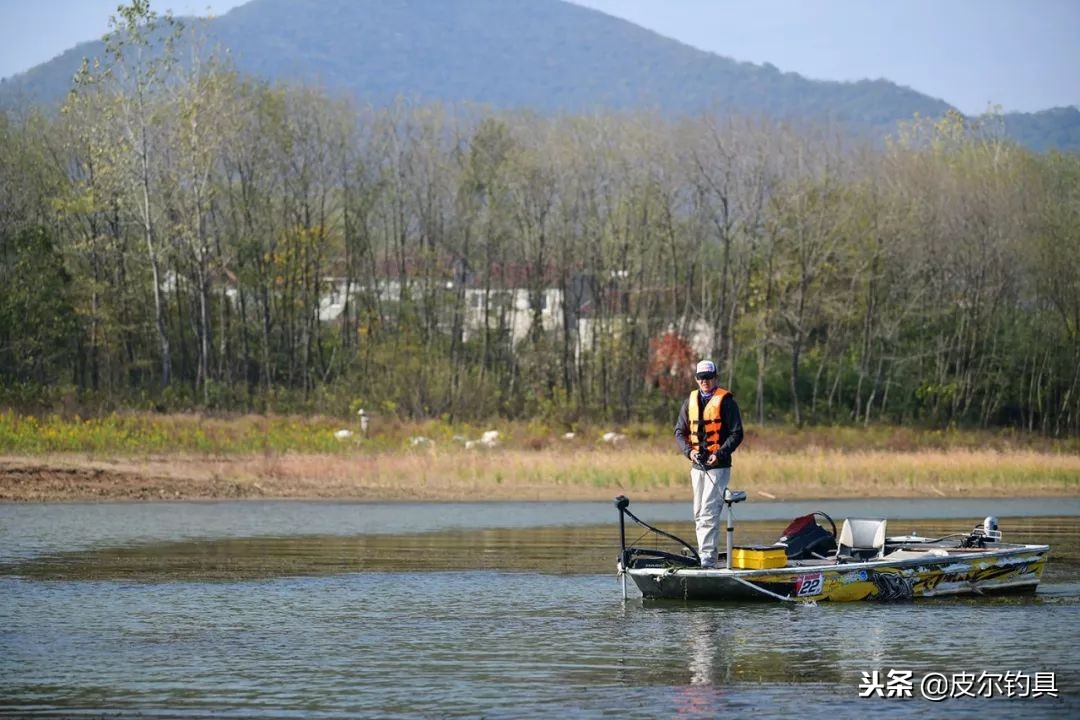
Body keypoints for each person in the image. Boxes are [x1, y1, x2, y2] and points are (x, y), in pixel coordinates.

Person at [674, 359, 744, 568]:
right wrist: (690, 452)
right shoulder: (691, 401)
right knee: (698, 513)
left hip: (718, 467)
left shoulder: (726, 401)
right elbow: (680, 432)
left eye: (709, 377)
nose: (705, 381)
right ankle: (705, 555)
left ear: (715, 377)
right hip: (697, 466)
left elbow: (737, 433)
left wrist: (720, 454)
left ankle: (707, 560)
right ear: (697, 379)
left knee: (708, 512)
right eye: (701, 377)